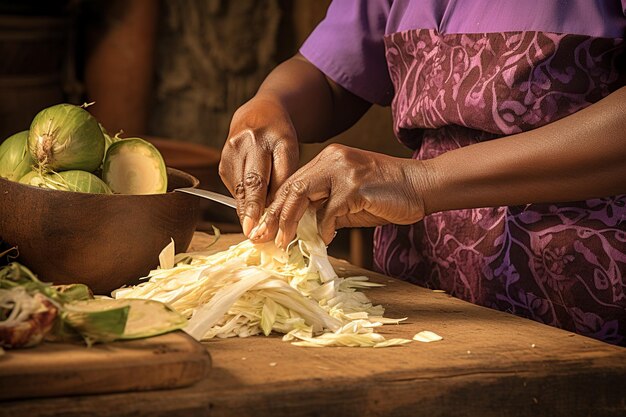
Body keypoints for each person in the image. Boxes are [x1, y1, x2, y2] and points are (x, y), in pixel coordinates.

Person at [219, 0, 626, 345]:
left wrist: (420, 181)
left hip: (583, 302)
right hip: (421, 296)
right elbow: (331, 77)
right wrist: (270, 104)